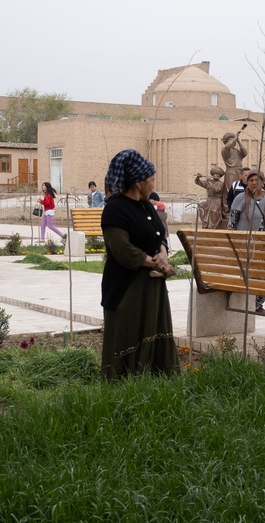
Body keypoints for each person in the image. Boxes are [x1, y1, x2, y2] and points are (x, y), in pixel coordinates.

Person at [99, 149, 178, 380]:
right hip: (127, 287)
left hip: (152, 287)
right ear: (138, 182)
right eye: (151, 180)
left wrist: (162, 250)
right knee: (129, 334)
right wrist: (157, 264)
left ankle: (156, 381)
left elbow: (159, 235)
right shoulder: (115, 209)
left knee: (154, 331)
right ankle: (123, 386)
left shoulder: (147, 206)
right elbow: (122, 250)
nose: (153, 185)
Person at [228, 169, 265, 315]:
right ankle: (250, 305)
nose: (254, 183)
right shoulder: (241, 199)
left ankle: (258, 305)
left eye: (257, 180)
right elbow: (232, 222)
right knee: (251, 275)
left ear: (263, 181)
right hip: (246, 245)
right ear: (247, 182)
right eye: (251, 180)